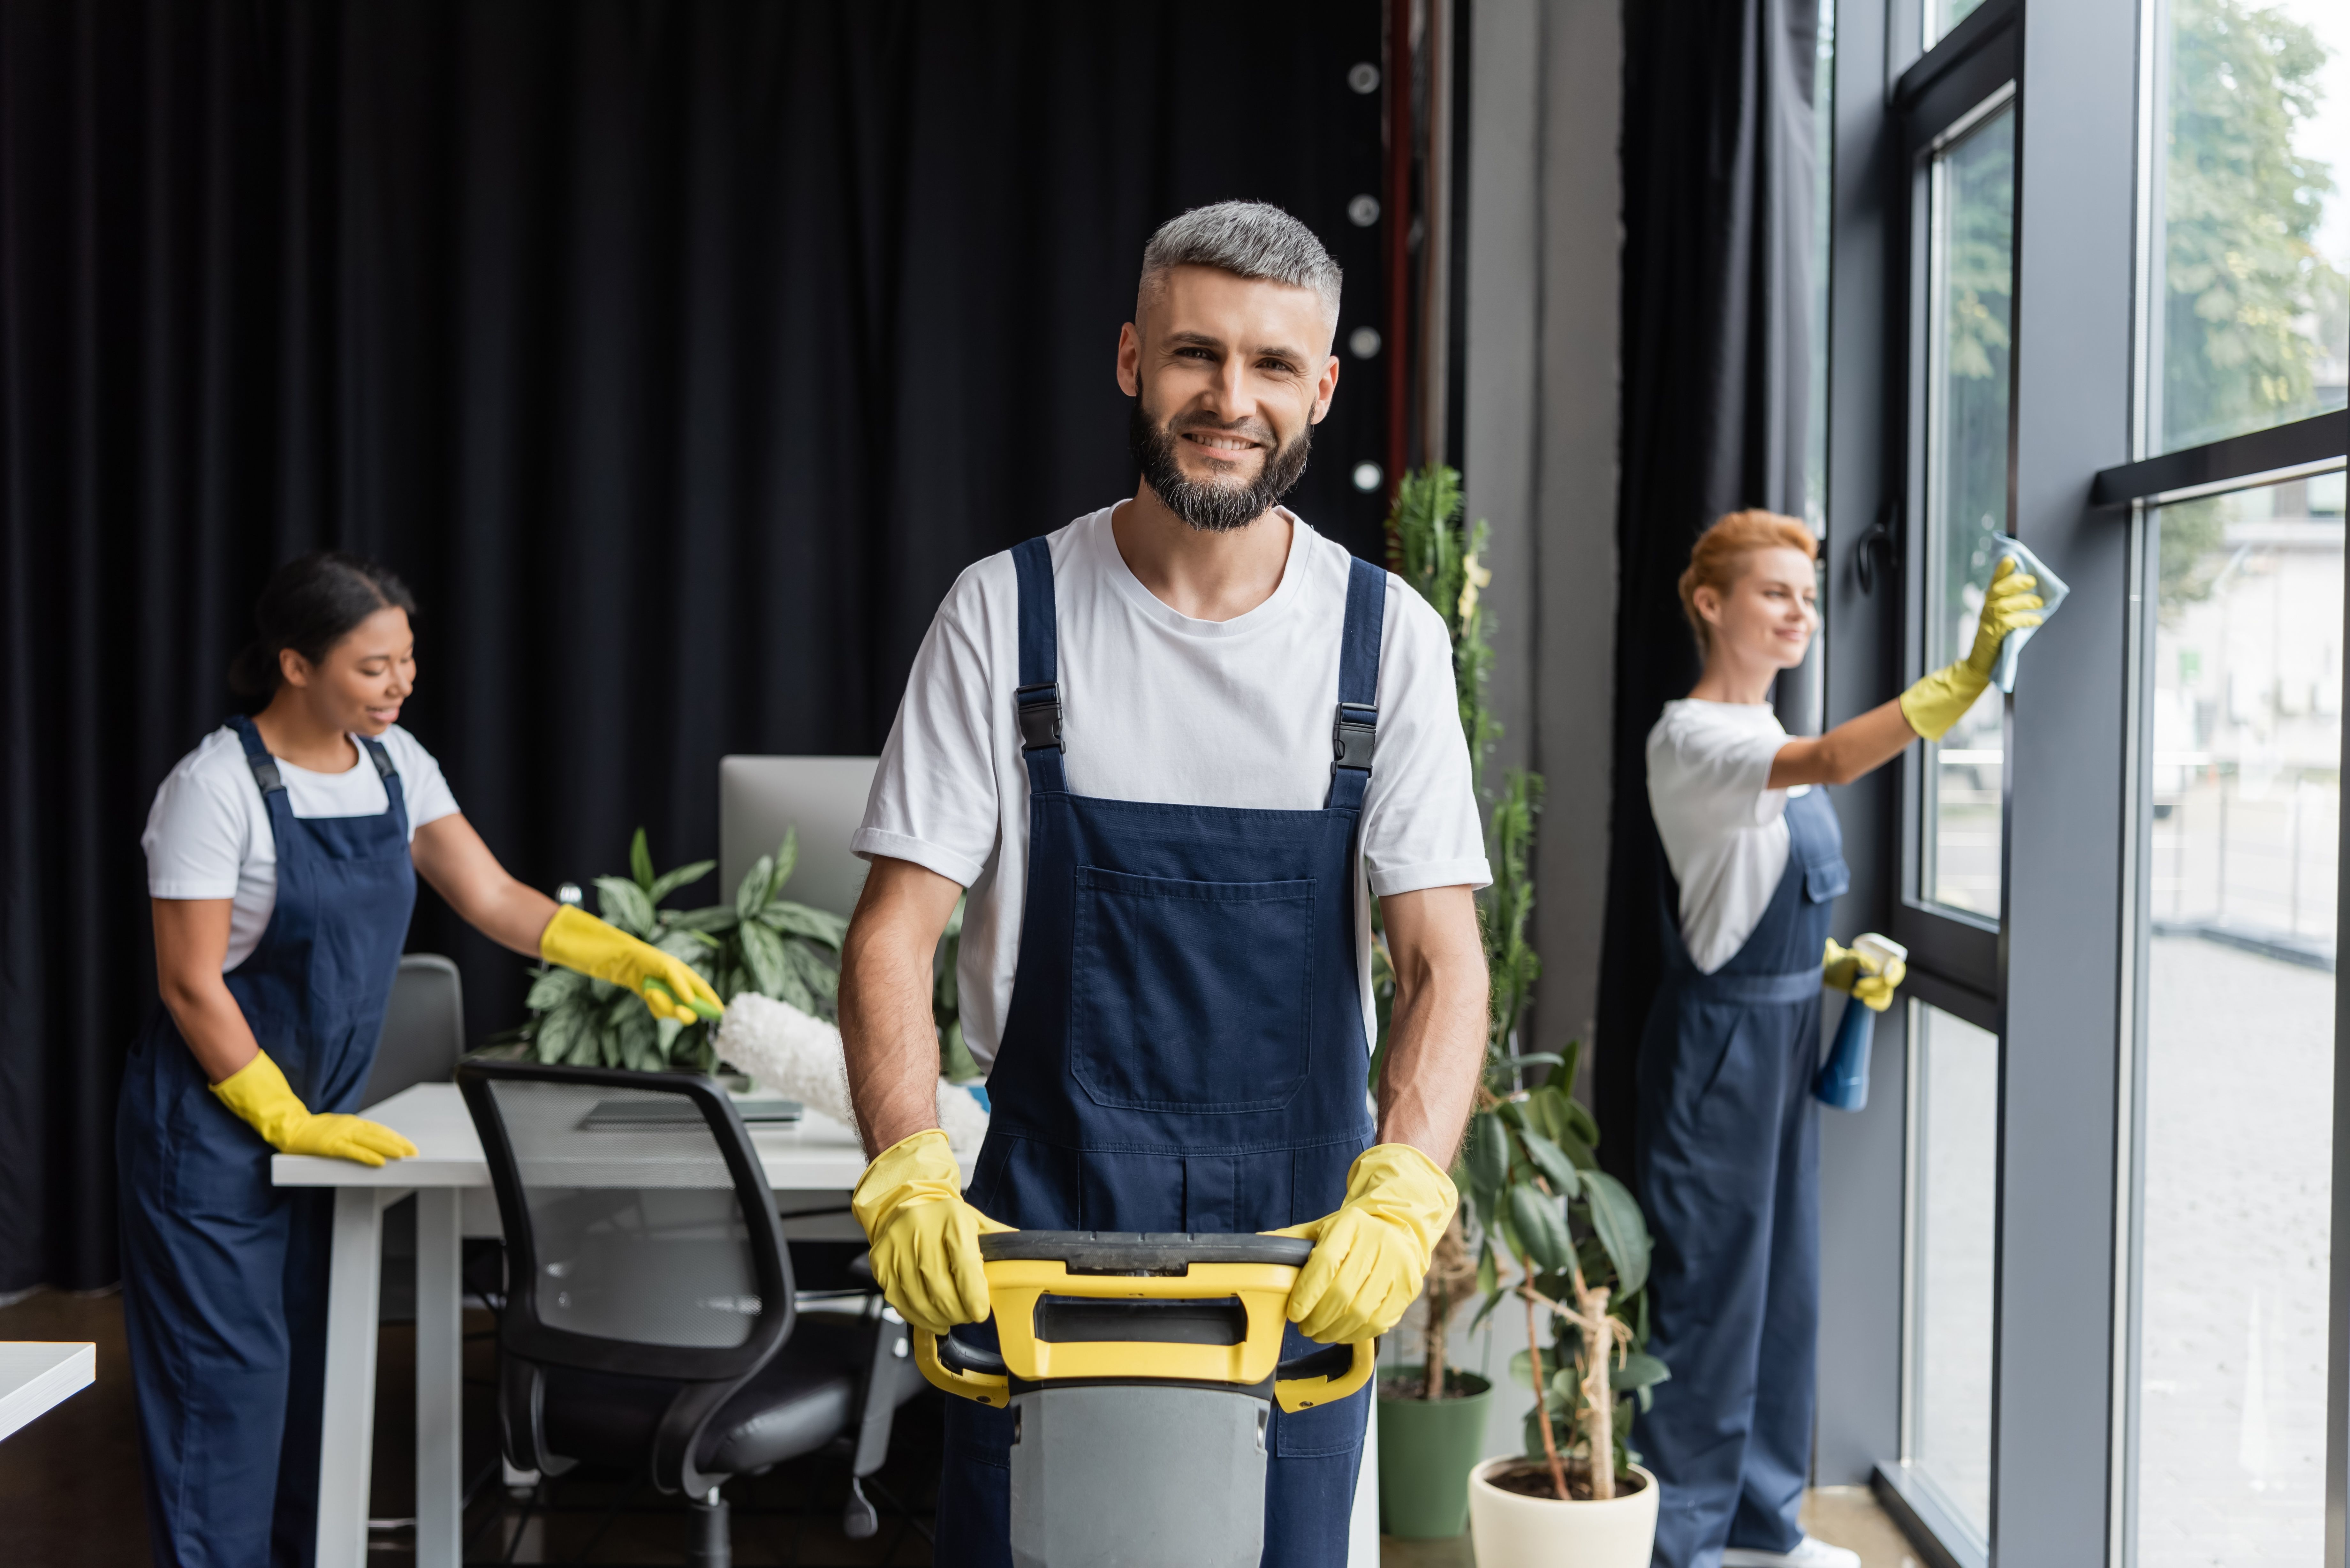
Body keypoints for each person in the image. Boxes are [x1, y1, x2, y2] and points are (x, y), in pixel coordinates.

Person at [836, 201, 1492, 1565]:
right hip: (1040, 1229)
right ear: (1132, 358)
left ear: (1320, 389)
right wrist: (904, 1161)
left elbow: (1441, 959)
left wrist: (1406, 1185)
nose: (1228, 400)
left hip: (1298, 1246)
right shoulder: (1005, 614)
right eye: (1197, 355)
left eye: (1269, 366)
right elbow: (896, 933)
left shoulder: (1385, 643)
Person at [123, 552, 724, 1568]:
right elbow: (191, 984)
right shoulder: (213, 789)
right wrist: (278, 1115)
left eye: (407, 660)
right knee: (223, 1390)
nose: (401, 684)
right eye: (373, 667)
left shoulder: (398, 764)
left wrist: (620, 955)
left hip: (332, 1121)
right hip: (212, 1130)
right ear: (296, 665)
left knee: (314, 1373)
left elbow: (490, 898)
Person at [1634, 510, 2042, 1568]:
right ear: (1711, 604)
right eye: (1776, 592)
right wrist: (1962, 678)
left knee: (1782, 1297)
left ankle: (1764, 1529)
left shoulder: (1764, 747)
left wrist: (1833, 967)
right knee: (1708, 1302)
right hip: (1719, 1057)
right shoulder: (1696, 738)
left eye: (1808, 597)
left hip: (1780, 1038)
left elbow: (1738, 900)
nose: (1799, 612)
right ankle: (1684, 1542)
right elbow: (1829, 757)